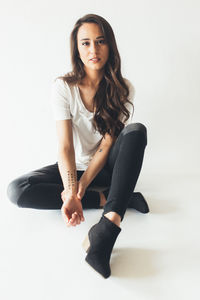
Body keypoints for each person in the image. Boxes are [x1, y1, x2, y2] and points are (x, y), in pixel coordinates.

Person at [6, 14, 148, 278]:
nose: (93, 50)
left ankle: (106, 229)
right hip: (74, 165)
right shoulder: (63, 88)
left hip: (108, 167)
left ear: (110, 45)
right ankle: (114, 198)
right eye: (85, 43)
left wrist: (81, 188)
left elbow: (107, 146)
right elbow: (66, 148)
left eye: (100, 41)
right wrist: (71, 191)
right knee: (17, 190)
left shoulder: (124, 89)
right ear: (77, 49)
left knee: (136, 132)